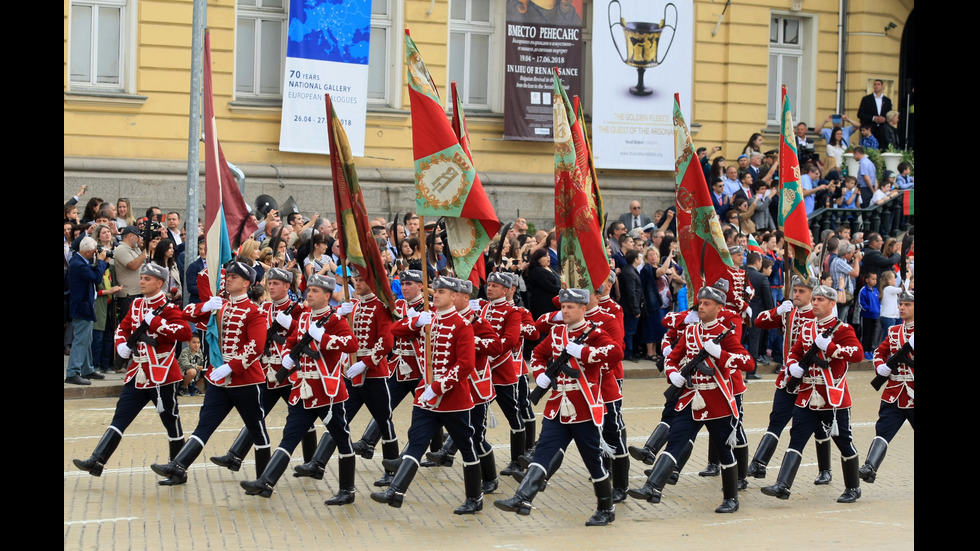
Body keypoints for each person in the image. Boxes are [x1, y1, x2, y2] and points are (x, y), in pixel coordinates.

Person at [495, 288, 623, 526]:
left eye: (570, 307)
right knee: (543, 452)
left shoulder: (594, 333)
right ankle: (522, 497)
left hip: (584, 408)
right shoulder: (557, 333)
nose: (564, 310)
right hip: (557, 407)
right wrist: (541, 373)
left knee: (593, 461)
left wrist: (584, 351)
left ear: (583, 309)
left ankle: (606, 508)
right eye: (563, 307)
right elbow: (538, 354)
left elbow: (616, 352)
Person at [628, 280, 753, 513]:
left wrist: (722, 354)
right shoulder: (691, 331)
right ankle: (652, 487)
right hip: (690, 399)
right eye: (700, 303)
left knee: (724, 449)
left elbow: (748, 362)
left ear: (719, 308)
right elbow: (673, 358)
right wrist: (673, 374)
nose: (701, 307)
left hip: (717, 402)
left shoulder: (724, 334)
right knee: (675, 441)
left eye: (707, 303)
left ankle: (731, 498)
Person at [240, 274, 360, 505]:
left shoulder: (334, 319)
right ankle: (266, 481)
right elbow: (291, 341)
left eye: (315, 291)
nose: (310, 294)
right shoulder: (304, 317)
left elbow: (351, 344)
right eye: (309, 290)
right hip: (302, 389)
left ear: (327, 295)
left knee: (342, 439)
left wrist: (324, 338)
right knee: (289, 437)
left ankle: (347, 490)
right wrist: (286, 356)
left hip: (328, 392)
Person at [372, 277, 485, 514]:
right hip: (425, 397)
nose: (436, 295)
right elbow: (395, 330)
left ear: (454, 296)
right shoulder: (427, 320)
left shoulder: (462, 325)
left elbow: (465, 364)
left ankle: (475, 498)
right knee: (416, 442)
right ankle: (396, 491)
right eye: (436, 291)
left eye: (442, 292)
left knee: (466, 445)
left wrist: (439, 386)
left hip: (453, 399)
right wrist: (414, 323)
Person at [151, 261, 270, 485]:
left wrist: (231, 366)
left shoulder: (254, 311)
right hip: (219, 381)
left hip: (244, 380)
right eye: (229, 275)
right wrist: (204, 307)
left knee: (256, 428)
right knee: (204, 425)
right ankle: (178, 467)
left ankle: (264, 479)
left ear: (246, 283)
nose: (228, 278)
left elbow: (256, 346)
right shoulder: (220, 306)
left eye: (235, 277)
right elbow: (186, 314)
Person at [73, 263, 192, 476]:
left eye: (147, 279)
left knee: (171, 420)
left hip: (161, 374)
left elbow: (183, 333)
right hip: (137, 372)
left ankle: (177, 469)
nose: (142, 282)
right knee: (120, 417)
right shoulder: (137, 304)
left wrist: (155, 322)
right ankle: (97, 460)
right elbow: (123, 327)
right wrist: (121, 344)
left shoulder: (169, 307)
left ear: (160, 283)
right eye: (142, 278)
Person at [761, 285, 865, 503]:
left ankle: (853, 487)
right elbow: (795, 352)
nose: (815, 303)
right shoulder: (808, 327)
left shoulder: (842, 329)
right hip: (807, 394)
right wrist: (792, 366)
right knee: (796, 437)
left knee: (843, 441)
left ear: (831, 303)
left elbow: (857, 354)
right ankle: (783, 484)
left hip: (832, 397)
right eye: (814, 299)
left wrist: (832, 347)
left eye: (820, 299)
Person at [295, 267, 399, 486]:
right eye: (356, 279)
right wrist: (340, 314)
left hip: (373, 374)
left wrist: (366, 363)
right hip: (350, 373)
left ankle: (391, 470)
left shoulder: (381, 307)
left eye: (362, 279)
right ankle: (318, 462)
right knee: (338, 421)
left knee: (383, 421)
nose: (358, 283)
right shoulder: (351, 306)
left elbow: (386, 342)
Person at [209, 267, 315, 474]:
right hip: (268, 373)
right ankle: (235, 455)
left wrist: (292, 324)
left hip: (290, 373)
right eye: (270, 283)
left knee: (303, 417)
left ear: (287, 286)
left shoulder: (298, 309)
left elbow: (308, 335)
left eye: (277, 284)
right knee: (256, 415)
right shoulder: (263, 308)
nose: (272, 287)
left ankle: (311, 461)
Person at [748, 276, 834, 483]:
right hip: (788, 377)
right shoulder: (788, 312)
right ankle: (759, 464)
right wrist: (777, 311)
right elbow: (759, 321)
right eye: (794, 290)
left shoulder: (820, 318)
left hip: (812, 381)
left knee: (818, 426)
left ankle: (825, 470)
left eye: (801, 291)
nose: (796, 294)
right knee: (777, 419)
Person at [351, 270, 427, 460]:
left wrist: (412, 324)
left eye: (409, 284)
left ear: (420, 286)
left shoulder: (429, 308)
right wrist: (411, 324)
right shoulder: (397, 306)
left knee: (425, 413)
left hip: (421, 368)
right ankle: (369, 443)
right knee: (384, 408)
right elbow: (394, 331)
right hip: (399, 367)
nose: (405, 287)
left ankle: (413, 454)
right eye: (403, 284)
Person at [475, 272, 527, 478]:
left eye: (495, 286)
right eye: (489, 285)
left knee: (514, 416)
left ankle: (518, 460)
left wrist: (489, 355)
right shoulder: (483, 308)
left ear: (506, 291)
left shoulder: (512, 312)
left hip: (501, 370)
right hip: (482, 372)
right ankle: (479, 455)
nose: (490, 288)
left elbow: (510, 341)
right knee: (478, 416)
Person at [860, 290, 913, 483]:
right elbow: (879, 353)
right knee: (883, 431)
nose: (902, 308)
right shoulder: (894, 332)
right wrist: (880, 367)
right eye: (901, 304)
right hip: (895, 393)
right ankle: (870, 467)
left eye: (907, 305)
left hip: (913, 394)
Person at [67, 237, 110, 385]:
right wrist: (102, 262)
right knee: (80, 340)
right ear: (88, 252)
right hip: (82, 307)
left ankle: (87, 369)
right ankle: (72, 372)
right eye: (93, 252)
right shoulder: (78, 264)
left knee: (87, 339)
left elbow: (92, 272)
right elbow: (96, 278)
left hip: (85, 306)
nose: (95, 254)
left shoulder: (80, 261)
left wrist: (102, 263)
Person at [857, 78, 892, 143]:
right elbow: (860, 114)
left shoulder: (887, 101)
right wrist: (873, 118)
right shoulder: (866, 99)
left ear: (882, 87)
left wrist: (884, 119)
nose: (876, 86)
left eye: (878, 84)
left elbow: (890, 115)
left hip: (883, 129)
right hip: (870, 128)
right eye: (875, 84)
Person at [858, 272, 880, 360]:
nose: (875, 281)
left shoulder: (875, 291)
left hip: (874, 316)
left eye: (876, 279)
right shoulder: (863, 290)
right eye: (873, 279)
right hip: (866, 315)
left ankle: (870, 350)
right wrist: (869, 309)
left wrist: (877, 310)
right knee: (865, 334)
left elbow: (878, 302)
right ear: (867, 280)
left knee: (872, 333)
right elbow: (861, 302)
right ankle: (864, 350)